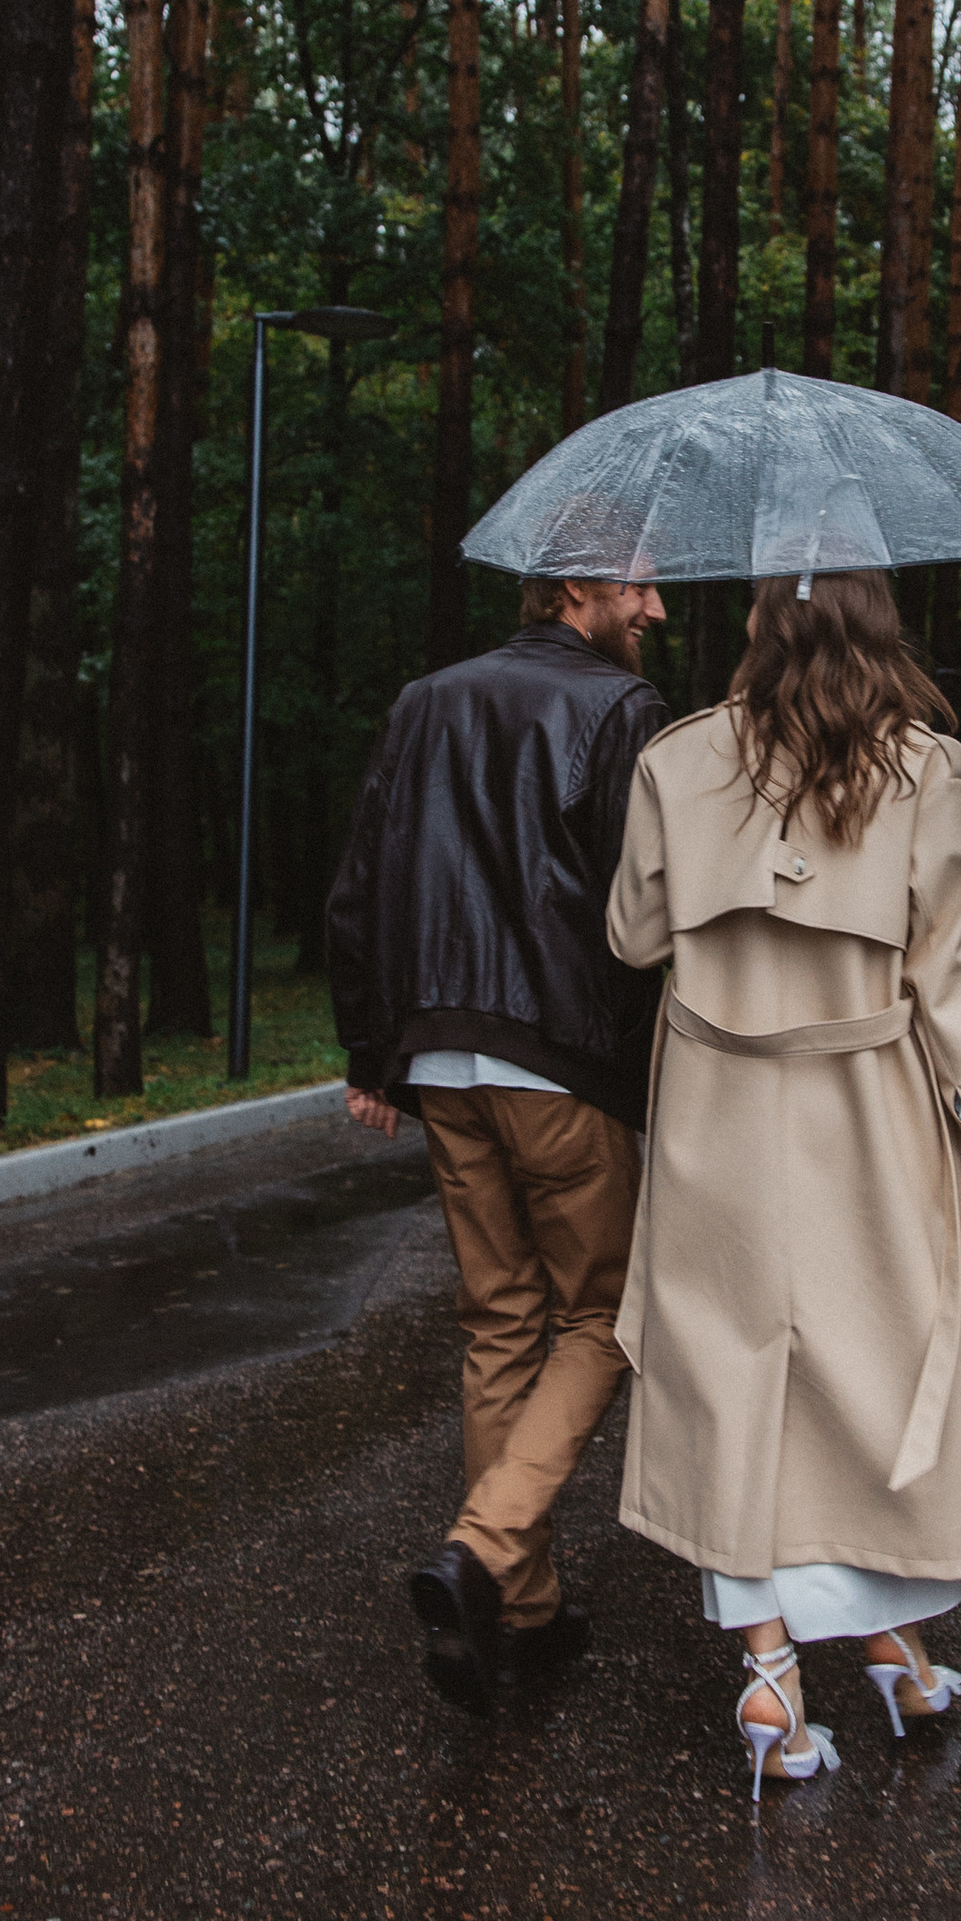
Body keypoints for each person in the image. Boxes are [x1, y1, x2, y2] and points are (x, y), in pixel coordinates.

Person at [604, 568, 961, 1797]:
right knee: (881, 1375)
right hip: (868, 1112)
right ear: (878, 629)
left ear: (762, 628)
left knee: (737, 1381)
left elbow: (634, 938)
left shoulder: (675, 759)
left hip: (717, 1112)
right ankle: (890, 1656)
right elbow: (954, 977)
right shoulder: (927, 770)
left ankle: (782, 1678)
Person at [326, 557, 667, 1712]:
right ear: (575, 588)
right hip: (557, 1058)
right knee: (608, 1315)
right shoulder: (621, 710)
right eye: (640, 589)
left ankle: (513, 1613)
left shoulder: (427, 699)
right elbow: (642, 910)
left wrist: (374, 1051)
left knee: (500, 1319)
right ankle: (484, 1543)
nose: (656, 610)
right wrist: (652, 1070)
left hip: (443, 1057)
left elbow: (360, 884)